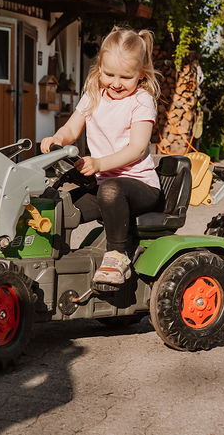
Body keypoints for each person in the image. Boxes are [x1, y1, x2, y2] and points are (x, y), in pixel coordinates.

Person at [40, 27, 162, 285]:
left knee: (110, 191)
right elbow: (72, 128)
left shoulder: (141, 101)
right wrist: (58, 139)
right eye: (109, 74)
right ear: (99, 68)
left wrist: (99, 163)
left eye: (126, 77)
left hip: (139, 185)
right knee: (60, 203)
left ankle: (118, 255)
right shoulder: (94, 94)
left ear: (140, 75)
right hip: (105, 183)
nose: (116, 83)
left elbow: (137, 149)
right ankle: (55, 261)